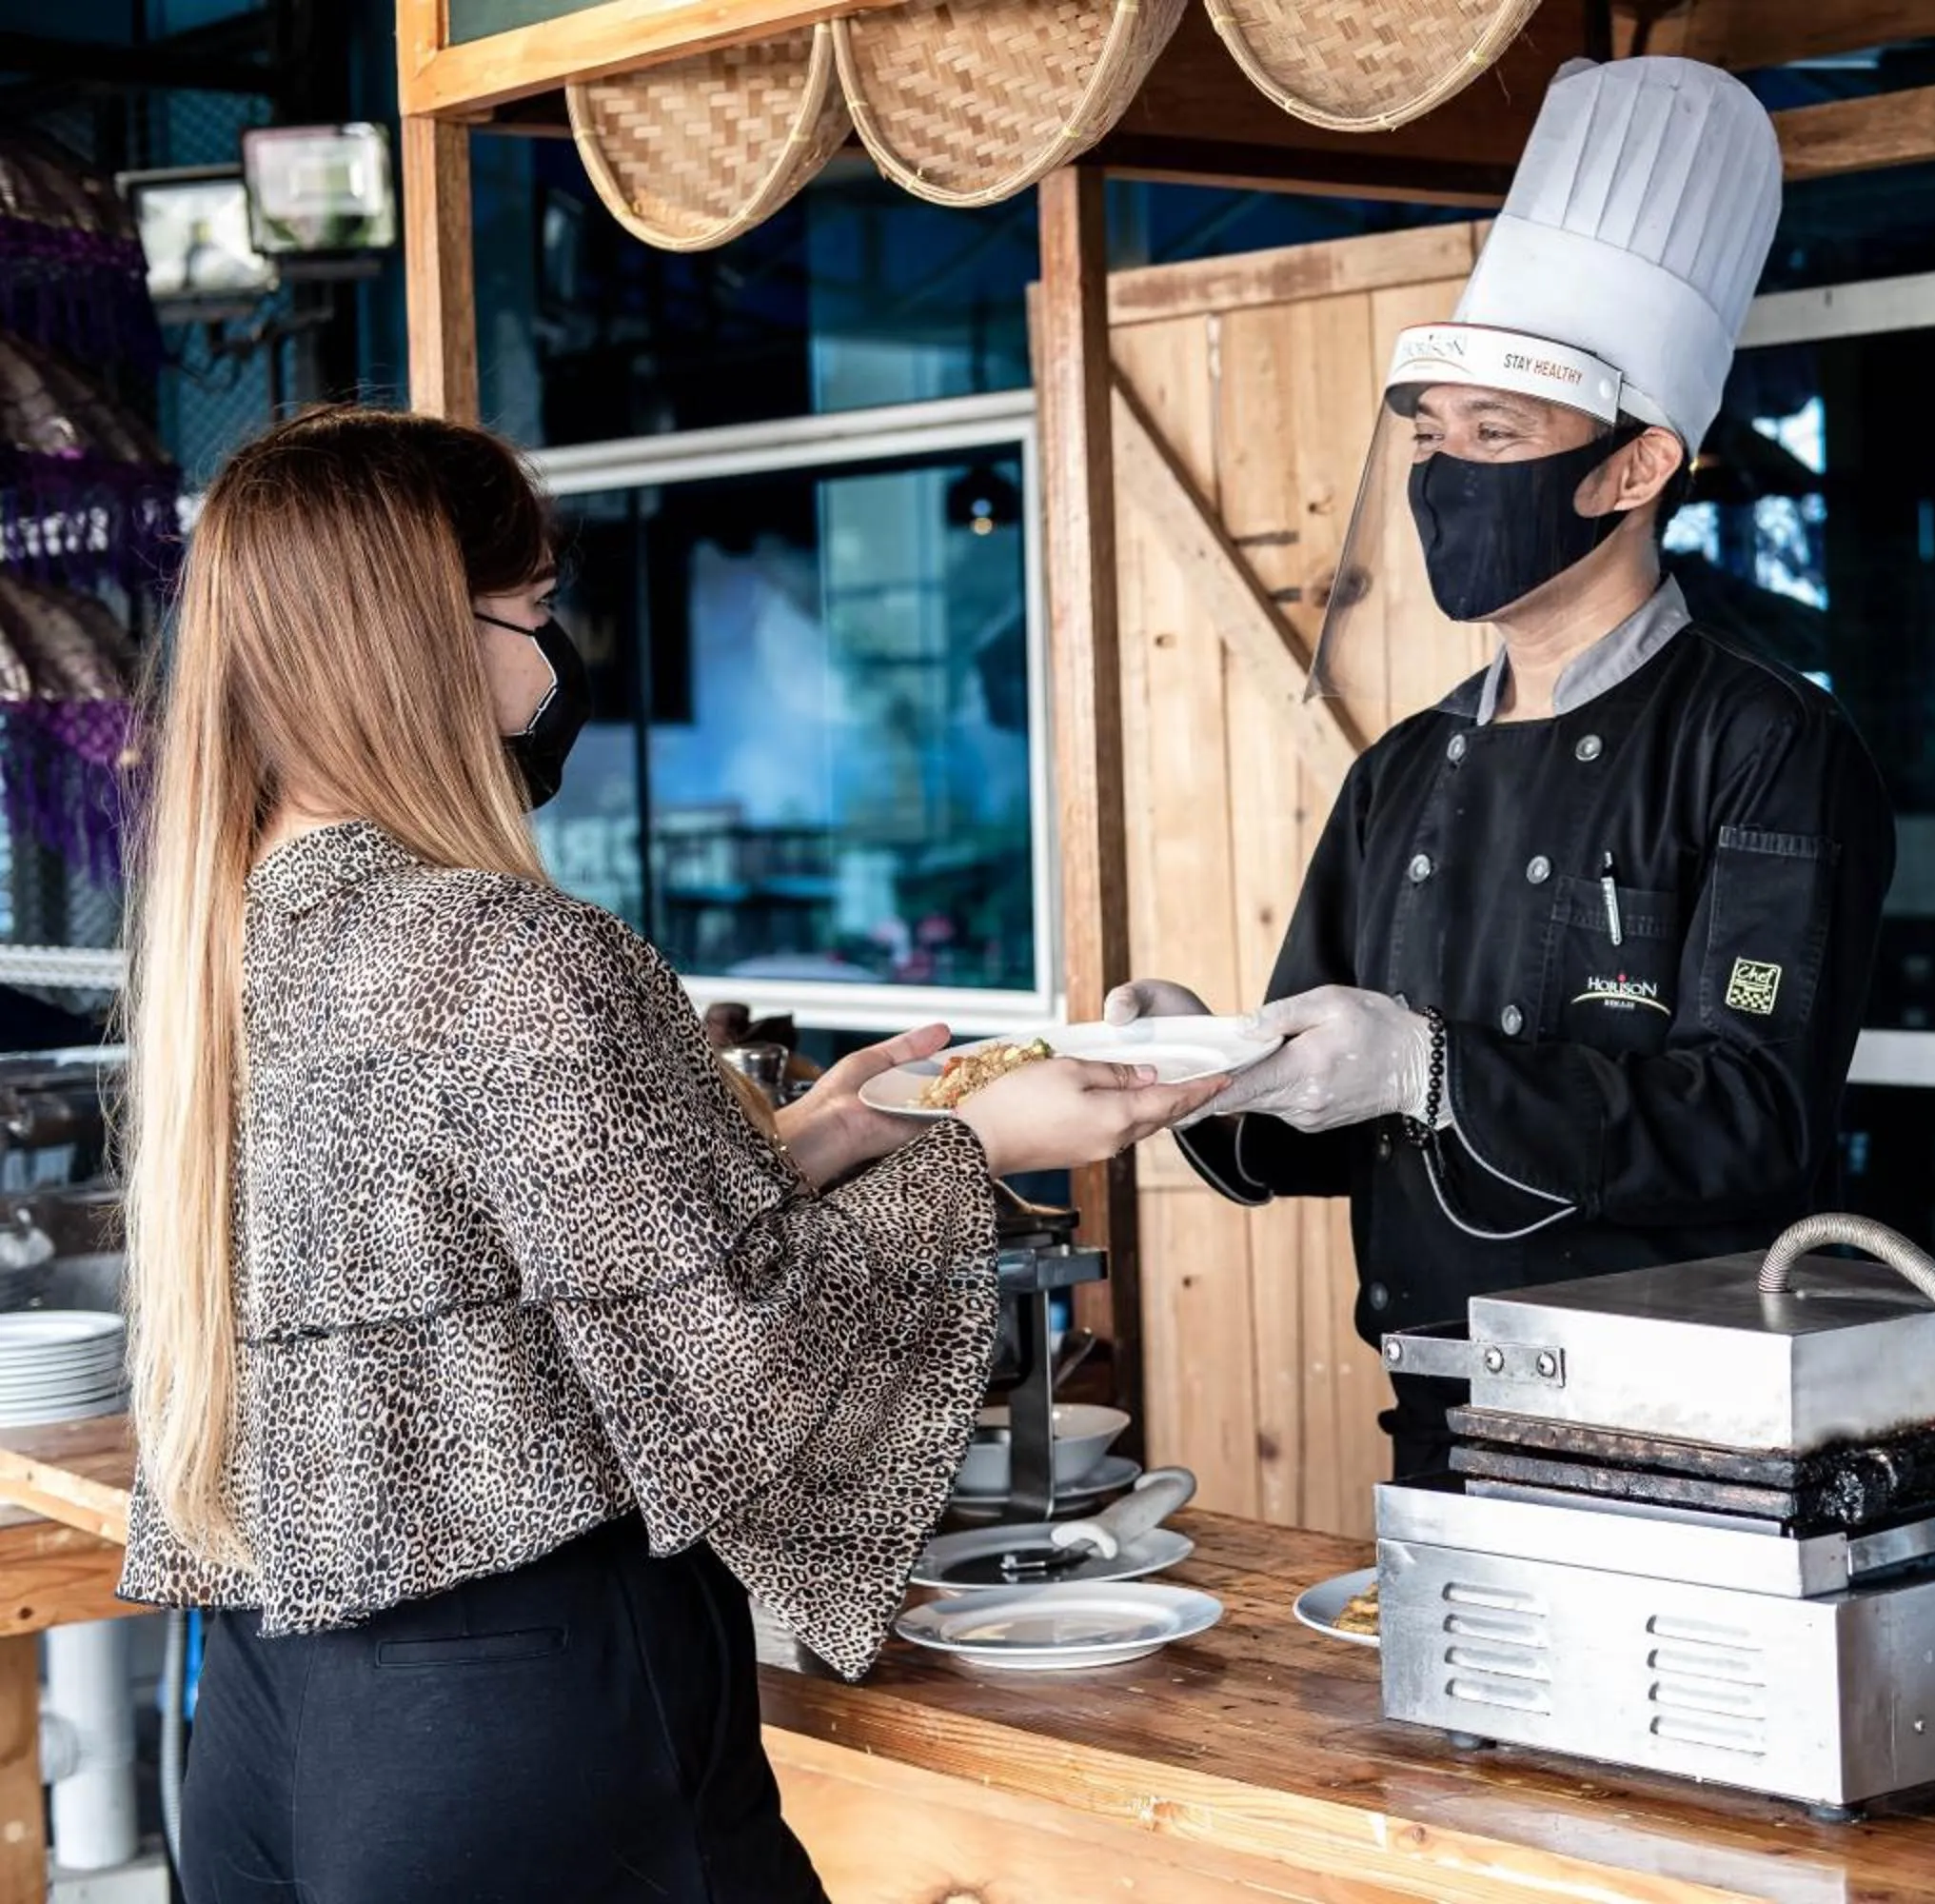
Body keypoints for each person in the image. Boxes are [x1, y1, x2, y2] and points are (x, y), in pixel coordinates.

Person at [115, 406, 1221, 1903]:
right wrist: (978, 1149)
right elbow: (744, 1370)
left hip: (271, 1714)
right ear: (427, 643)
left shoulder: (233, 935)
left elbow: (533, 1244)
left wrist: (835, 1128)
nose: (557, 659)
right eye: (540, 609)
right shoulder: (511, 951)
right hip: (539, 1713)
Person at [1112, 58, 1893, 1478]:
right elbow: (1326, 1125)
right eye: (1430, 438)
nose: (1447, 477)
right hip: (1433, 1409)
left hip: (1682, 1428)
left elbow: (1756, 1121)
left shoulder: (1767, 746)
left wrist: (1427, 1065)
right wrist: (1205, 1070)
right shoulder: (1399, 771)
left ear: (1635, 466)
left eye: (1497, 436)